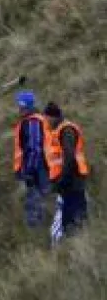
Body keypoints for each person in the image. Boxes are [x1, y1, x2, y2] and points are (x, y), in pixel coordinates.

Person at [44, 102, 90, 242]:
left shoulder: (66, 130)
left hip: (71, 181)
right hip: (71, 180)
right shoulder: (59, 130)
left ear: (53, 117)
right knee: (76, 215)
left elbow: (69, 158)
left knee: (70, 219)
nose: (45, 121)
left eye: (47, 118)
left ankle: (72, 245)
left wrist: (62, 181)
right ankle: (79, 243)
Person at [12, 90, 52, 228]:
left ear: (24, 105)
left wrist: (29, 170)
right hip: (39, 168)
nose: (18, 107)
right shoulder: (30, 120)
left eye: (19, 104)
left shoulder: (33, 122)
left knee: (35, 203)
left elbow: (34, 148)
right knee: (39, 201)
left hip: (37, 169)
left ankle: (37, 233)